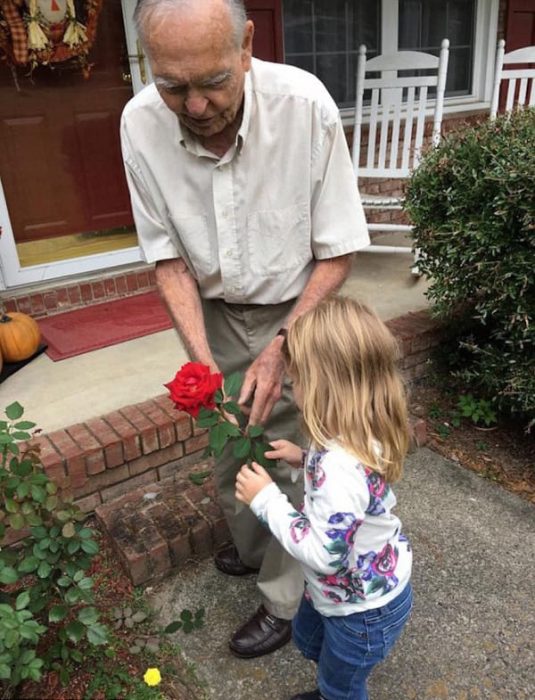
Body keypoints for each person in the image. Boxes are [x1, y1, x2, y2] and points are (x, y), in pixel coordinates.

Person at [121, 0, 370, 658]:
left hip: (299, 310)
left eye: (212, 82)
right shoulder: (138, 123)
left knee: (292, 464)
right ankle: (261, 547)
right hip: (213, 312)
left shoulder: (304, 106)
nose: (195, 107)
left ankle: (286, 600)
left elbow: (339, 250)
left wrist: (283, 347)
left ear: (247, 45)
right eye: (173, 84)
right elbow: (168, 260)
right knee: (230, 450)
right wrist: (202, 368)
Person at [235, 295, 413, 700]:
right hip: (348, 591)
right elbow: (353, 483)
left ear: (322, 384)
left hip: (363, 612)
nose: (293, 390)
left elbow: (324, 553)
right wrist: (304, 458)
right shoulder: (360, 427)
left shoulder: (339, 467)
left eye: (297, 381)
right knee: (310, 642)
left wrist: (266, 500)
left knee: (341, 686)